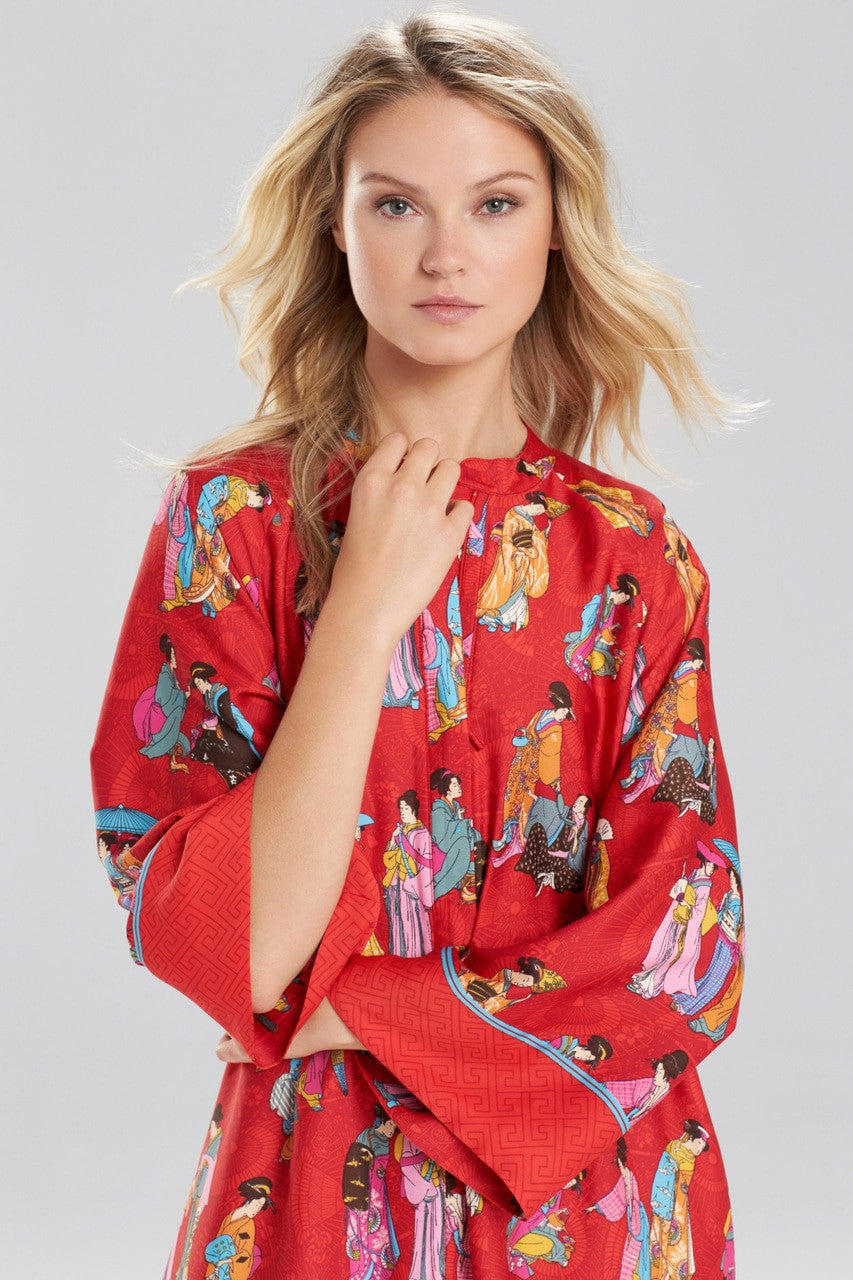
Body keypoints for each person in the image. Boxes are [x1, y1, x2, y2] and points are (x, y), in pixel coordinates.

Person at [89, 11, 750, 1278]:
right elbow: (233, 947)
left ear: (553, 228)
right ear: (335, 225)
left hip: (593, 1201)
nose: (446, 253)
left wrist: (361, 1009)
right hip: (314, 1189)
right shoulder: (233, 521)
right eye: (395, 205)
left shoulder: (629, 555)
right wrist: (363, 609)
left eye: (494, 204)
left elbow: (691, 938)